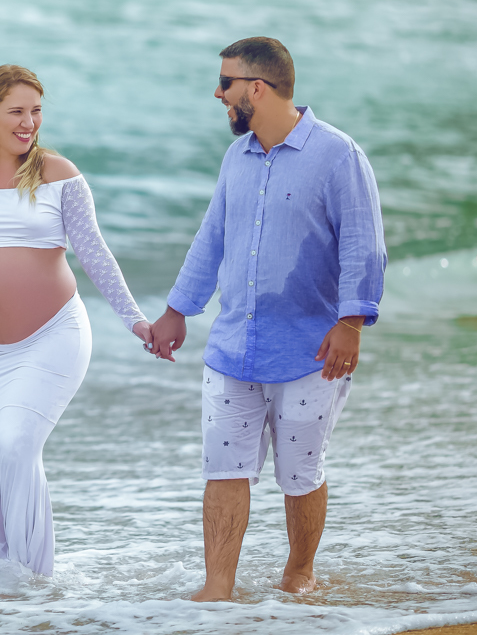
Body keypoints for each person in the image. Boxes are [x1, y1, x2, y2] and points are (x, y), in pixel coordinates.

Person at [148, 37, 386, 601]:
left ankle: (299, 572)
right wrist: (178, 310)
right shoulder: (238, 156)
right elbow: (212, 239)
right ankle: (217, 587)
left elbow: (363, 245)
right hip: (234, 347)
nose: (218, 92)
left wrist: (351, 322)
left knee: (300, 473)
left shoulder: (338, 156)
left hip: (311, 350)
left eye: (225, 82)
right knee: (223, 467)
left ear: (256, 88)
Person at [0, 64, 151, 577]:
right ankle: (4, 583)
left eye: (35, 111)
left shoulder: (58, 174)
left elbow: (95, 254)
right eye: (16, 111)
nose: (28, 122)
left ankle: (33, 579)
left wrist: (136, 322)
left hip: (54, 336)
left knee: (14, 444)